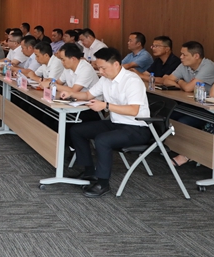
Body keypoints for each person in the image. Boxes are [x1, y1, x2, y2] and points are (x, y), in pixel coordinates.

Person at [65, 47, 151, 197]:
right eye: (99, 68)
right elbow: (88, 94)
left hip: (137, 127)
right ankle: (89, 171)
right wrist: (70, 94)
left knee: (103, 140)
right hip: (116, 123)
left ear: (116, 64)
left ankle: (103, 183)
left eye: (103, 68)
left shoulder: (132, 80)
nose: (101, 72)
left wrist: (105, 106)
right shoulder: (106, 79)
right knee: (77, 131)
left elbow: (133, 110)